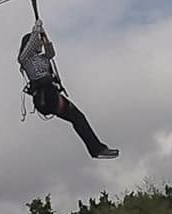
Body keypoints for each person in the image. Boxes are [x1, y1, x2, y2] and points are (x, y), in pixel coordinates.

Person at [18, 19, 119, 159]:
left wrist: (44, 35)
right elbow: (28, 48)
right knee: (76, 116)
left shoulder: (43, 58)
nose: (40, 44)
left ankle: (97, 149)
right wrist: (36, 30)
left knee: (78, 118)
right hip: (45, 96)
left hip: (51, 95)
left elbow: (51, 53)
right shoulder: (26, 58)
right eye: (38, 42)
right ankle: (96, 150)